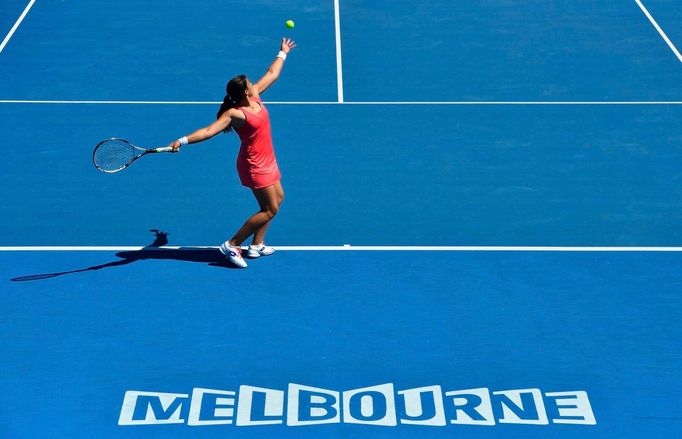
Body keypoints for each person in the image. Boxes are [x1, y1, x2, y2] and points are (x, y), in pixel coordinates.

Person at [167, 38, 296, 268]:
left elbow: (272, 73)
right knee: (269, 209)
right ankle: (232, 244)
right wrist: (182, 140)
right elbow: (208, 131)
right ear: (245, 91)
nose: (252, 82)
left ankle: (256, 246)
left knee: (278, 198)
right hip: (254, 165)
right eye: (248, 82)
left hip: (268, 159)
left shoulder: (254, 95)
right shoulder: (236, 114)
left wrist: (283, 52)